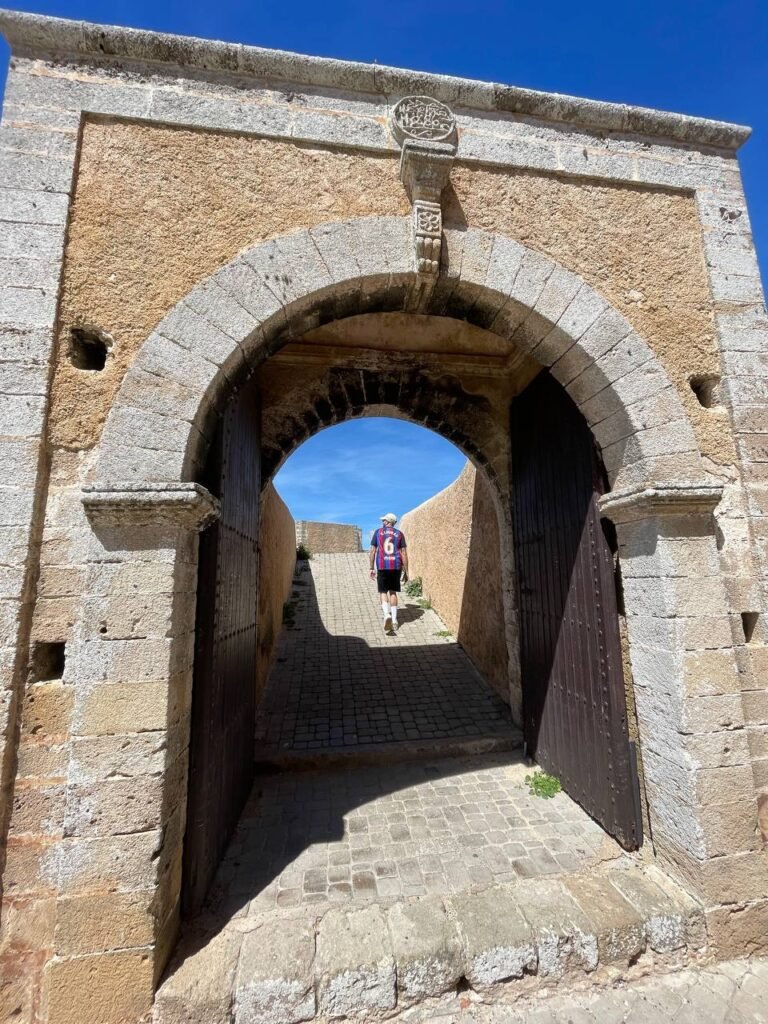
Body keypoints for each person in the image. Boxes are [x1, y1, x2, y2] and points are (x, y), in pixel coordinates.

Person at [369, 512, 409, 635]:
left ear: (388, 522)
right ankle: (395, 621)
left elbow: (373, 551)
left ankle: (387, 614)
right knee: (393, 592)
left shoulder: (378, 532)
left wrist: (371, 568)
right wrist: (407, 571)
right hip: (396, 566)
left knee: (382, 591)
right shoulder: (399, 534)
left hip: (382, 566)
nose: (382, 522)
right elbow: (404, 553)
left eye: (384, 520)